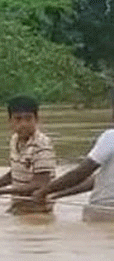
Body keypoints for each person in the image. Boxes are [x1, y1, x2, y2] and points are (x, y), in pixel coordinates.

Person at [32, 90, 114, 222]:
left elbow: (80, 173)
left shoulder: (111, 137)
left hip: (103, 212)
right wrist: (57, 195)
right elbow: (97, 180)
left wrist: (43, 192)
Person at [0, 95, 56, 213]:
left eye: (28, 119)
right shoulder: (14, 140)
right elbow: (14, 174)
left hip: (38, 208)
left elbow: (40, 183)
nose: (23, 124)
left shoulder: (42, 144)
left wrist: (0, 192)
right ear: (10, 121)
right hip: (20, 204)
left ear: (36, 120)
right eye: (18, 119)